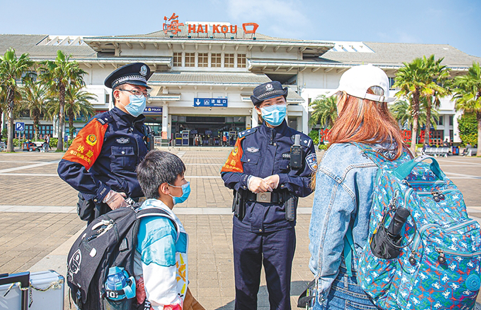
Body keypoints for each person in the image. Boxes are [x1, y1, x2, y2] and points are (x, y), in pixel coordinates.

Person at [308, 65, 411, 309]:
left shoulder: (343, 155)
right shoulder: (401, 152)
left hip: (354, 282)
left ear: (345, 101)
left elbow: (326, 235)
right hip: (398, 276)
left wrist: (321, 284)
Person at [221, 81, 316, 310]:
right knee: (244, 291)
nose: (275, 107)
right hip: (246, 223)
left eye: (279, 102)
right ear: (258, 109)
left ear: (286, 103)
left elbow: (309, 183)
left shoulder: (302, 143)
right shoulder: (246, 140)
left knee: (280, 294)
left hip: (280, 225)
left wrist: (282, 180)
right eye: (268, 104)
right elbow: (228, 173)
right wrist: (247, 180)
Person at [58, 62, 152, 224]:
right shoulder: (101, 125)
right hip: (111, 213)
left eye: (144, 93)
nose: (141, 97)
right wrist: (105, 194)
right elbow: (68, 168)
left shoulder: (141, 129)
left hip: (140, 209)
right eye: (135, 92)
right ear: (117, 94)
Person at [134, 150, 204, 310]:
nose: (186, 184)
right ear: (166, 188)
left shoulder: (147, 209)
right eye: (182, 179)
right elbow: (161, 286)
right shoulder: (161, 228)